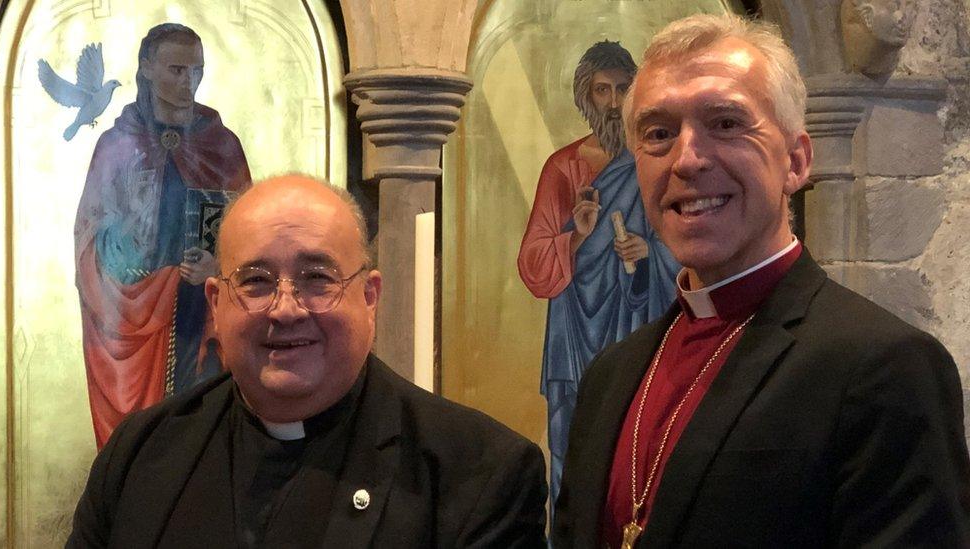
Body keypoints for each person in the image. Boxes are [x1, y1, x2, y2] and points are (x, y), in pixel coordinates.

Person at [553, 13, 970, 548]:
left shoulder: (883, 366)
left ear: (795, 162)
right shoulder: (610, 375)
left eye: (725, 123)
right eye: (658, 134)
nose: (687, 159)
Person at [67, 174, 547, 548]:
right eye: (255, 281)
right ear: (216, 304)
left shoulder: (479, 474)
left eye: (317, 278)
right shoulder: (141, 455)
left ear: (370, 297)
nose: (286, 308)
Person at [517, 40, 679, 509]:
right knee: (570, 444)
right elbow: (533, 261)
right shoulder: (563, 167)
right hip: (572, 329)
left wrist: (649, 252)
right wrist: (576, 237)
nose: (611, 101)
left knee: (639, 445)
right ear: (585, 97)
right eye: (601, 89)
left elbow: (683, 246)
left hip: (636, 320)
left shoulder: (653, 161)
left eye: (621, 88)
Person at [74, 23, 252, 448]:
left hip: (203, 314)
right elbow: (89, 239)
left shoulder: (222, 147)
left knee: (200, 430)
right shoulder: (116, 146)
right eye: (176, 69)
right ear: (147, 68)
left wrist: (221, 265)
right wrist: (136, 264)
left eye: (196, 71)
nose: (187, 82)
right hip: (137, 311)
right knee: (143, 440)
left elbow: (251, 233)